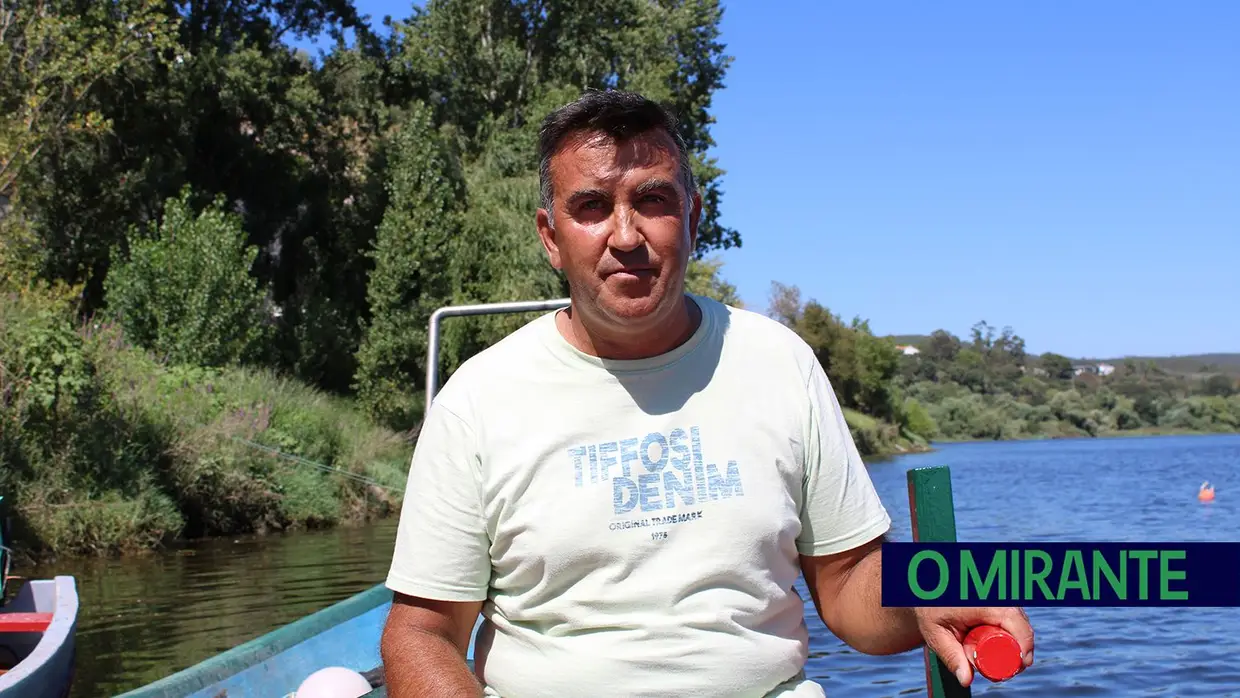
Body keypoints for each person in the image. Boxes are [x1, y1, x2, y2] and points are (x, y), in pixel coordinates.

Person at [380, 89, 1035, 697]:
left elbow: (846, 588)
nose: (626, 236)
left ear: (692, 217)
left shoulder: (778, 363)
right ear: (551, 237)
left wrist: (924, 591)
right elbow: (423, 632)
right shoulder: (478, 399)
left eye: (653, 200)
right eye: (591, 207)